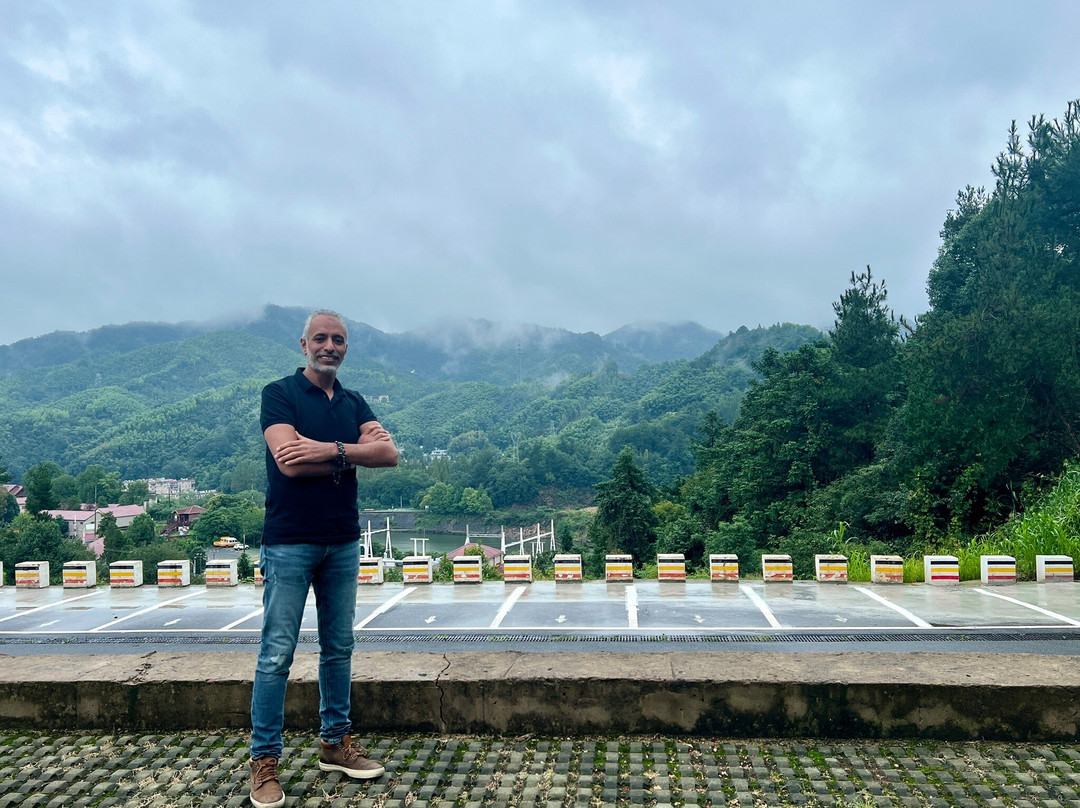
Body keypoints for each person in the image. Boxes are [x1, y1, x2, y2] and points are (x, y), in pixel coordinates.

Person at [249, 309, 398, 808]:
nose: (329, 345)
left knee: (339, 647)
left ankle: (335, 743)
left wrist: (327, 449)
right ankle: (264, 760)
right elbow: (287, 462)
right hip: (289, 540)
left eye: (338, 339)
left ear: (346, 347)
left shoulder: (354, 401)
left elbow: (389, 455)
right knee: (276, 654)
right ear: (303, 344)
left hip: (342, 540)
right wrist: (351, 450)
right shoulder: (280, 394)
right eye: (321, 338)